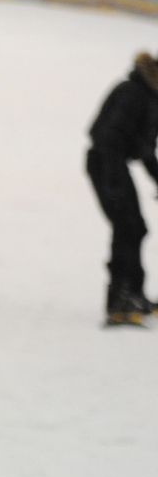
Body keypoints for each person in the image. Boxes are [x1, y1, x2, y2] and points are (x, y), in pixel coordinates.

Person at [87, 52, 158, 326]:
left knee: (135, 228)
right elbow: (107, 137)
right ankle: (119, 300)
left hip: (113, 165)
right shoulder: (132, 92)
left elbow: (145, 148)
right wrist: (113, 178)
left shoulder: (151, 96)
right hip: (105, 163)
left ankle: (134, 293)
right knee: (127, 226)